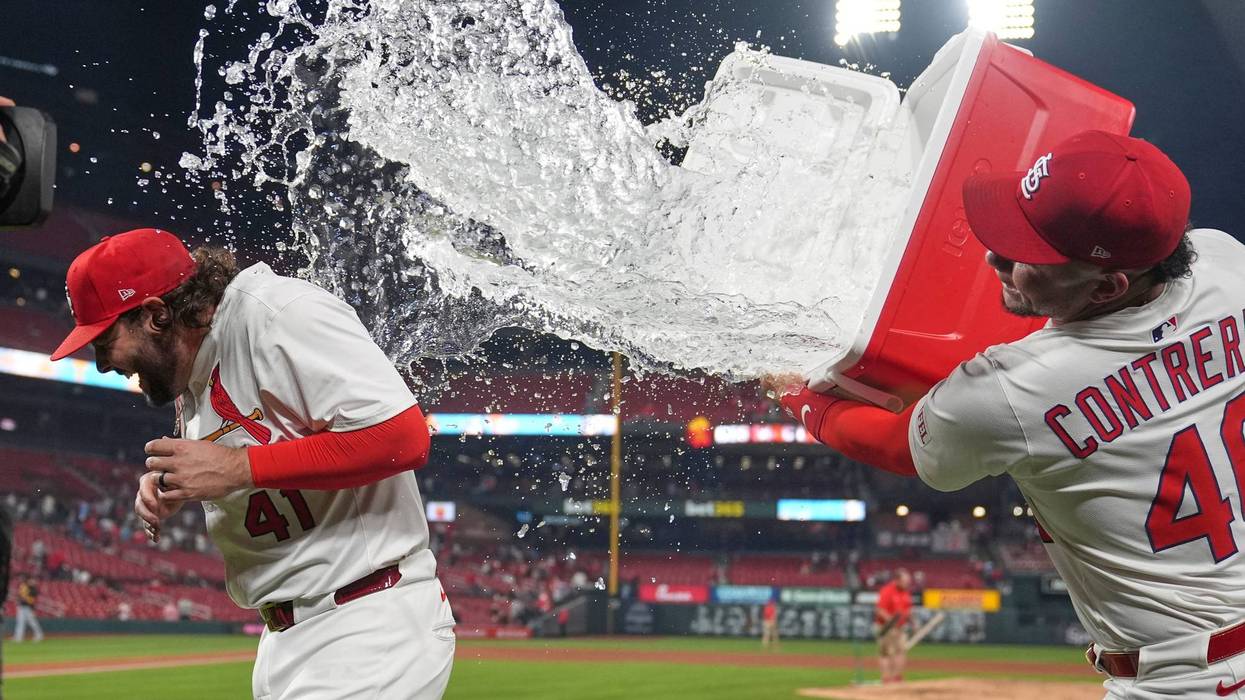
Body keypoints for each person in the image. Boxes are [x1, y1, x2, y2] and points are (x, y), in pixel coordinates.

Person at [774, 130, 1245, 698]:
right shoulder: (1226, 261)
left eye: (1032, 254)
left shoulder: (1013, 388)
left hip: (1185, 684)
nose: (995, 255)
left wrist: (798, 393)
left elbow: (899, 446)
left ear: (1108, 286)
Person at [50, 229, 454, 699]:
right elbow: (251, 448)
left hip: (367, 621)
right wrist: (177, 481)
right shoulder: (194, 363)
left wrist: (236, 470)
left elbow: (403, 438)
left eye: (104, 340)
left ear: (157, 315)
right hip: (286, 637)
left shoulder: (277, 315)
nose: (100, 364)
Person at [873, 570, 912, 683]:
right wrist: (892, 623)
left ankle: (897, 678)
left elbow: (908, 610)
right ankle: (886, 678)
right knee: (885, 652)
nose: (907, 584)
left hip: (900, 628)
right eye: (905, 581)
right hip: (885, 627)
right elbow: (880, 610)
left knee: (901, 651)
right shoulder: (887, 591)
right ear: (897, 580)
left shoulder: (905, 592)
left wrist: (913, 623)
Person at [12, 577, 43, 643]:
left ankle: (39, 635)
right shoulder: (24, 586)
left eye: (33, 580)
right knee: (20, 622)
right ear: (28, 581)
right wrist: (20, 599)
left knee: (32, 622)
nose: (33, 581)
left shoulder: (33, 589)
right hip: (21, 607)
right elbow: (20, 596)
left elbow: (30, 600)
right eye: (31, 580)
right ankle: (18, 637)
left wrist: (24, 598)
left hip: (28, 608)